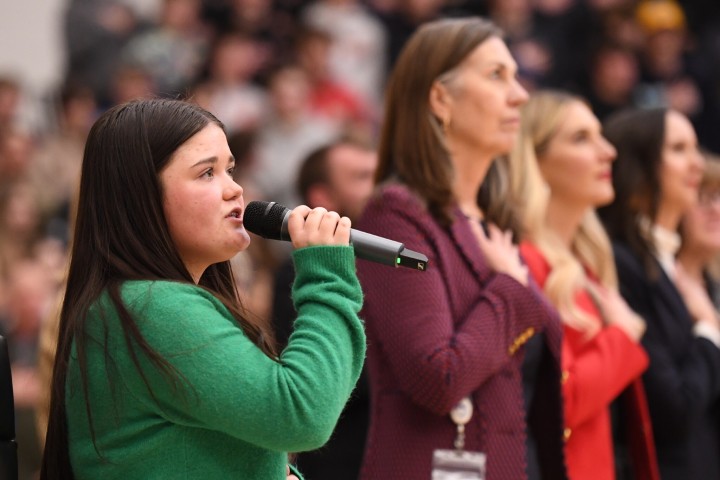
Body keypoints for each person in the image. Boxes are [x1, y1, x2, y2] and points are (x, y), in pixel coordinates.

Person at [39, 98, 366, 479]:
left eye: (230, 169)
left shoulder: (138, 303)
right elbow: (302, 414)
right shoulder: (152, 307)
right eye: (206, 173)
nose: (235, 190)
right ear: (141, 195)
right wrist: (327, 276)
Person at [356, 17, 567, 480]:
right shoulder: (395, 216)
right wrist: (510, 287)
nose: (521, 94)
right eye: (497, 76)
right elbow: (438, 377)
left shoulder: (497, 224)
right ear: (440, 99)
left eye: (515, 75)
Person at [510, 90, 658, 480]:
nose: (608, 151)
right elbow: (555, 403)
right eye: (581, 139)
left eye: (600, 135)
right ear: (534, 160)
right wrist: (623, 337)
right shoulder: (526, 262)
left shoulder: (586, 265)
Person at [598, 107, 720, 480]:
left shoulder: (666, 264)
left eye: (696, 148)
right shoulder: (623, 263)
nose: (696, 164)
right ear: (642, 164)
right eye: (680, 149)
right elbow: (673, 407)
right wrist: (709, 330)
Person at [271, 138, 377, 480]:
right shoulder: (297, 272)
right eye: (361, 177)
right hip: (340, 463)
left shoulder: (386, 264)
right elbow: (315, 373)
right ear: (323, 198)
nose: (377, 188)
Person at [675, 153, 720, 338]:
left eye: (719, 198)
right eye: (703, 197)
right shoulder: (655, 277)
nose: (716, 210)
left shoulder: (714, 284)